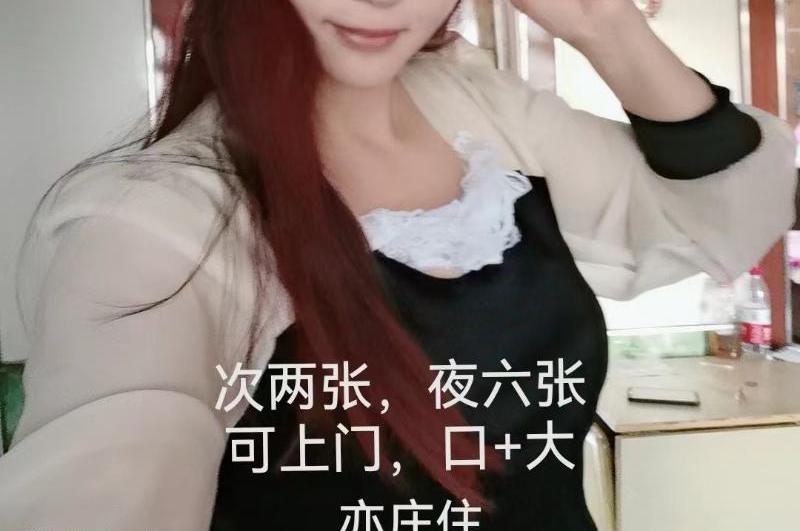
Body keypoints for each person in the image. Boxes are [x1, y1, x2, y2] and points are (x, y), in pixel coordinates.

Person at [0, 0, 796, 529]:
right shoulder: (158, 223)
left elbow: (726, 214)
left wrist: (604, 26)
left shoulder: (482, 111)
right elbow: (109, 475)